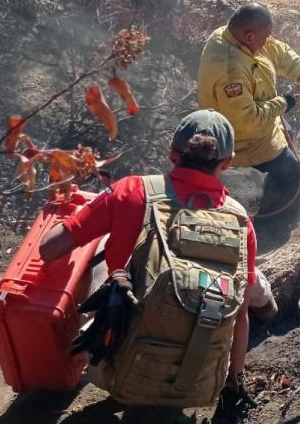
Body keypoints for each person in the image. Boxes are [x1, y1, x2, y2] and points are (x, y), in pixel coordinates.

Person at [39, 110, 262, 421]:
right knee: (243, 285)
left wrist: (72, 215)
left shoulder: (131, 190)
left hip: (112, 371)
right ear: (228, 162)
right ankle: (271, 313)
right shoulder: (240, 221)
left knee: (106, 250)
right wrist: (234, 383)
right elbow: (240, 317)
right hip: (198, 384)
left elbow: (49, 249)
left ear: (172, 154)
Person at [196, 3, 300, 228]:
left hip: (261, 119)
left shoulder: (239, 38)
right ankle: (272, 224)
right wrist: (284, 102)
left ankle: (295, 201)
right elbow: (247, 120)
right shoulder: (230, 70)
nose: (268, 40)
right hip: (241, 137)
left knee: (286, 134)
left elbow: (281, 53)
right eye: (266, 35)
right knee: (290, 168)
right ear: (249, 36)